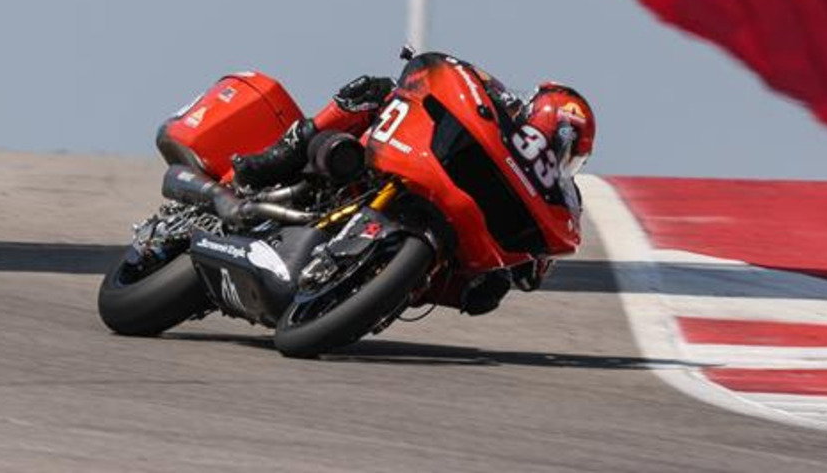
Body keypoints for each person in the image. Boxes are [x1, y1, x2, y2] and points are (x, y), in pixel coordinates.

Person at [229, 50, 596, 314]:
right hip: (405, 157)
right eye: (565, 149)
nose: (560, 159)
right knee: (370, 92)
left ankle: (372, 290)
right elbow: (453, 77)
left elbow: (532, 276)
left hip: (451, 238)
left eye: (571, 157)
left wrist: (530, 259)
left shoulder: (560, 199)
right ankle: (272, 161)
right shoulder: (502, 104)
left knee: (488, 291)